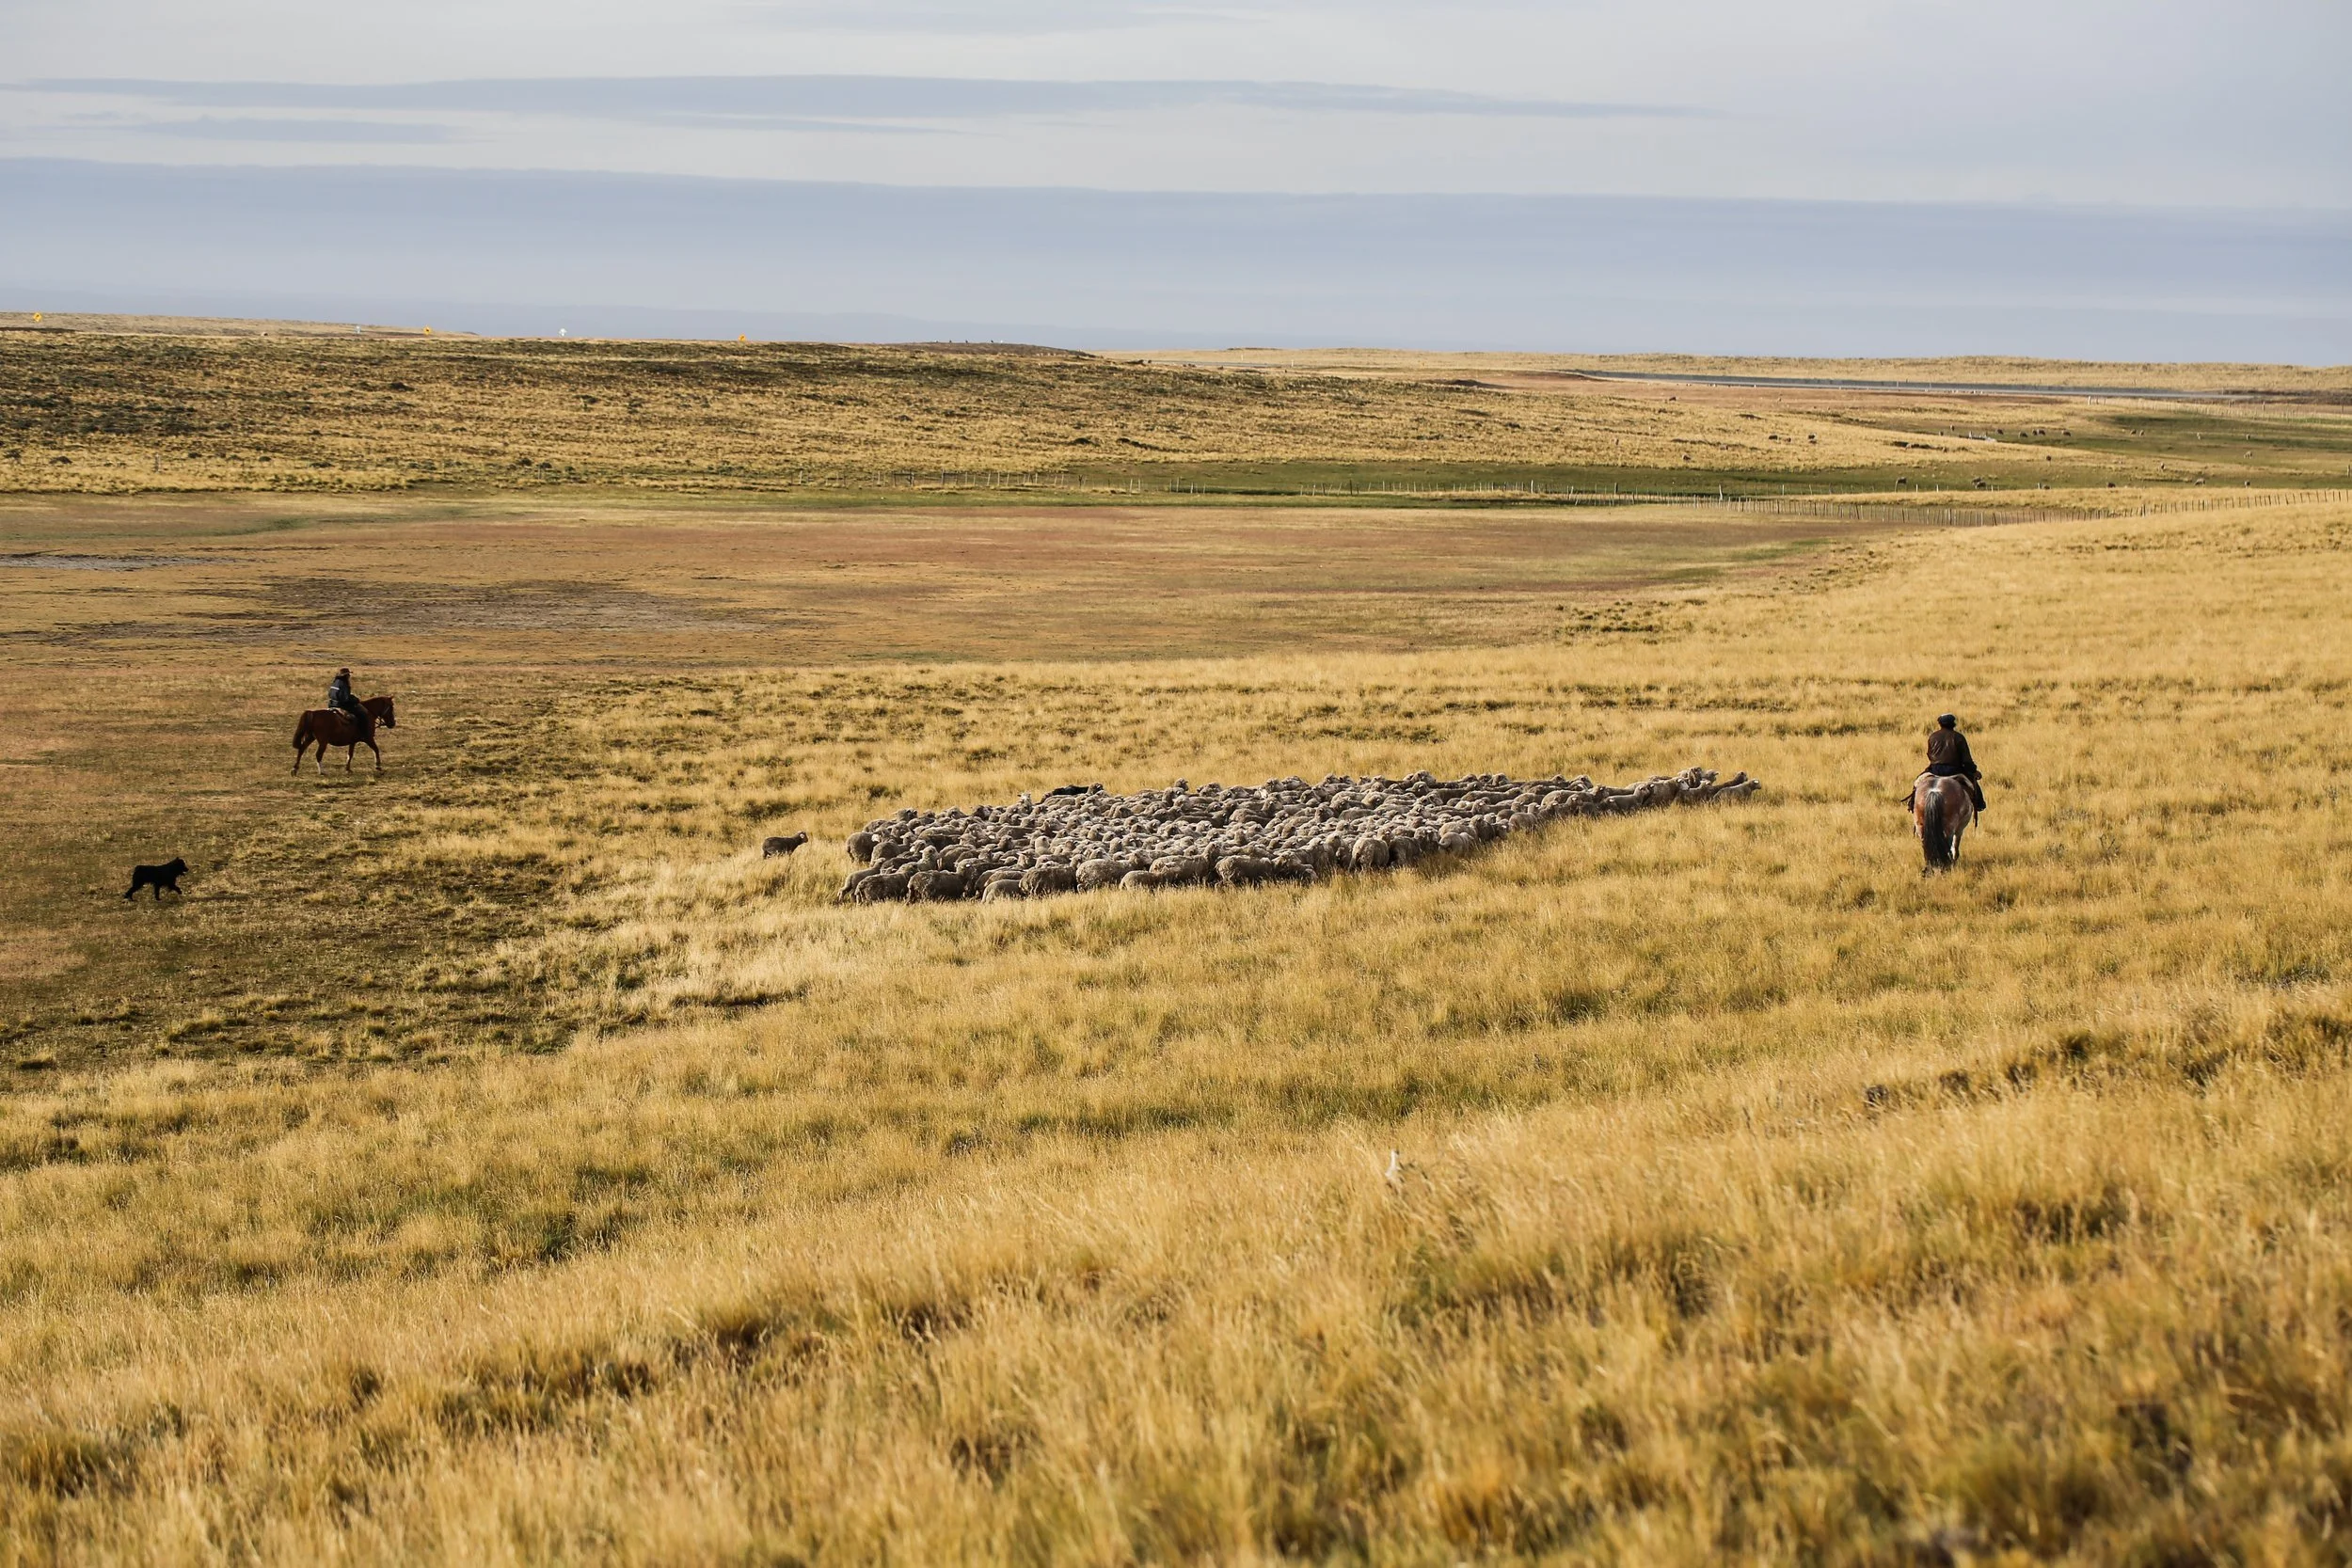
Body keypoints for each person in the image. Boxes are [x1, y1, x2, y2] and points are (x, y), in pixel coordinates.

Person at [1924, 713, 1985, 812]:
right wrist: (1973, 771)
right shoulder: (1959, 737)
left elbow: (1930, 754)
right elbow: (1967, 760)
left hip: (1935, 770)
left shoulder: (1933, 737)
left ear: (1940, 724)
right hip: (1954, 770)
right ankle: (1979, 804)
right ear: (1953, 723)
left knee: (1918, 782)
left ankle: (1912, 802)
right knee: (1974, 786)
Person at [326, 667, 372, 738]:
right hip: (341, 705)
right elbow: (345, 698)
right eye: (348, 675)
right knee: (362, 714)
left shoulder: (335, 682)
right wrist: (355, 700)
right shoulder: (344, 684)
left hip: (332, 704)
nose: (349, 676)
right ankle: (363, 734)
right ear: (345, 675)